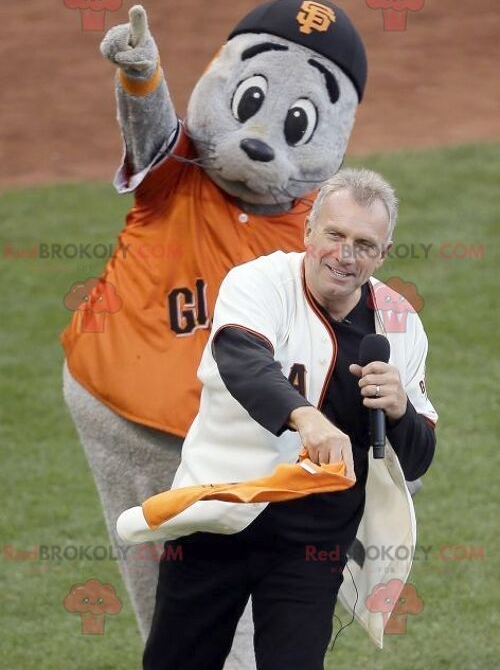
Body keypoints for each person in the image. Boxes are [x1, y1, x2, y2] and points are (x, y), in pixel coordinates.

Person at [142, 168, 438, 670]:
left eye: (365, 244)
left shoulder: (400, 322)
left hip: (313, 544)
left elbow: (417, 458)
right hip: (218, 515)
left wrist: (399, 410)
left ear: (383, 255)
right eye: (335, 235)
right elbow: (243, 362)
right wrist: (306, 418)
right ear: (308, 231)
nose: (345, 256)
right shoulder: (258, 283)